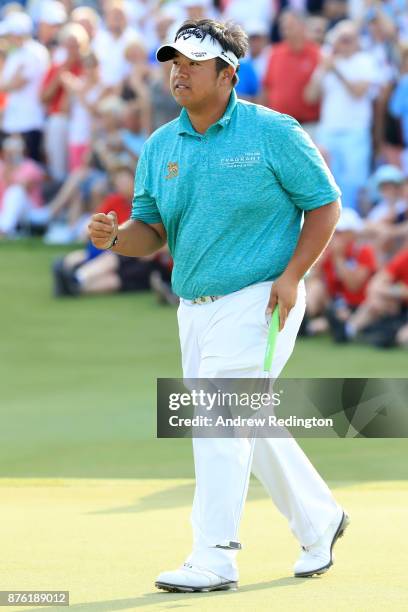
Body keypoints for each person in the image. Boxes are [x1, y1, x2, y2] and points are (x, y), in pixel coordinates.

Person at [88, 18, 348, 593]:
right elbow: (149, 231)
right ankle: (319, 519)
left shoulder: (273, 131)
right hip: (195, 306)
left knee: (219, 421)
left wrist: (292, 276)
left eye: (192, 63)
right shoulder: (161, 144)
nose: (177, 72)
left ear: (228, 73)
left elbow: (325, 205)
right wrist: (112, 238)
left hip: (262, 296)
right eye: (172, 62)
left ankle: (215, 556)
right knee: (243, 419)